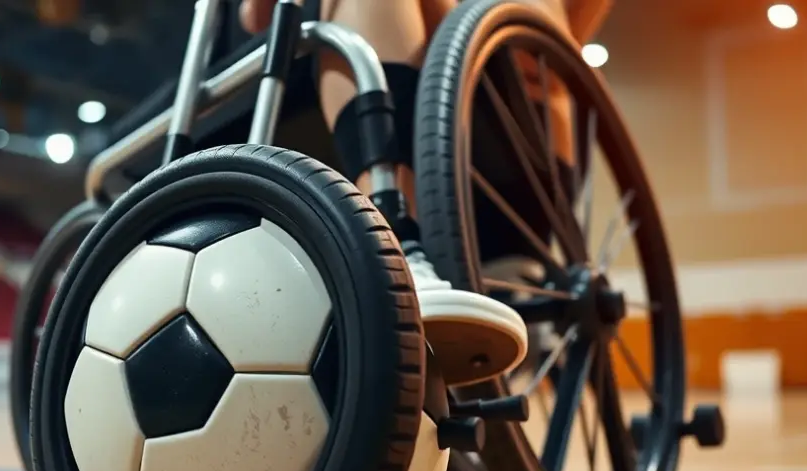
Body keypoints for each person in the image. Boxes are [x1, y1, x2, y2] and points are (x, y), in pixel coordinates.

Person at [238, 0, 613, 386]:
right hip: (312, 46)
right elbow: (256, 16)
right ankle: (398, 242)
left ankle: (516, 265)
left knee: (540, 22)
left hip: (497, 67)